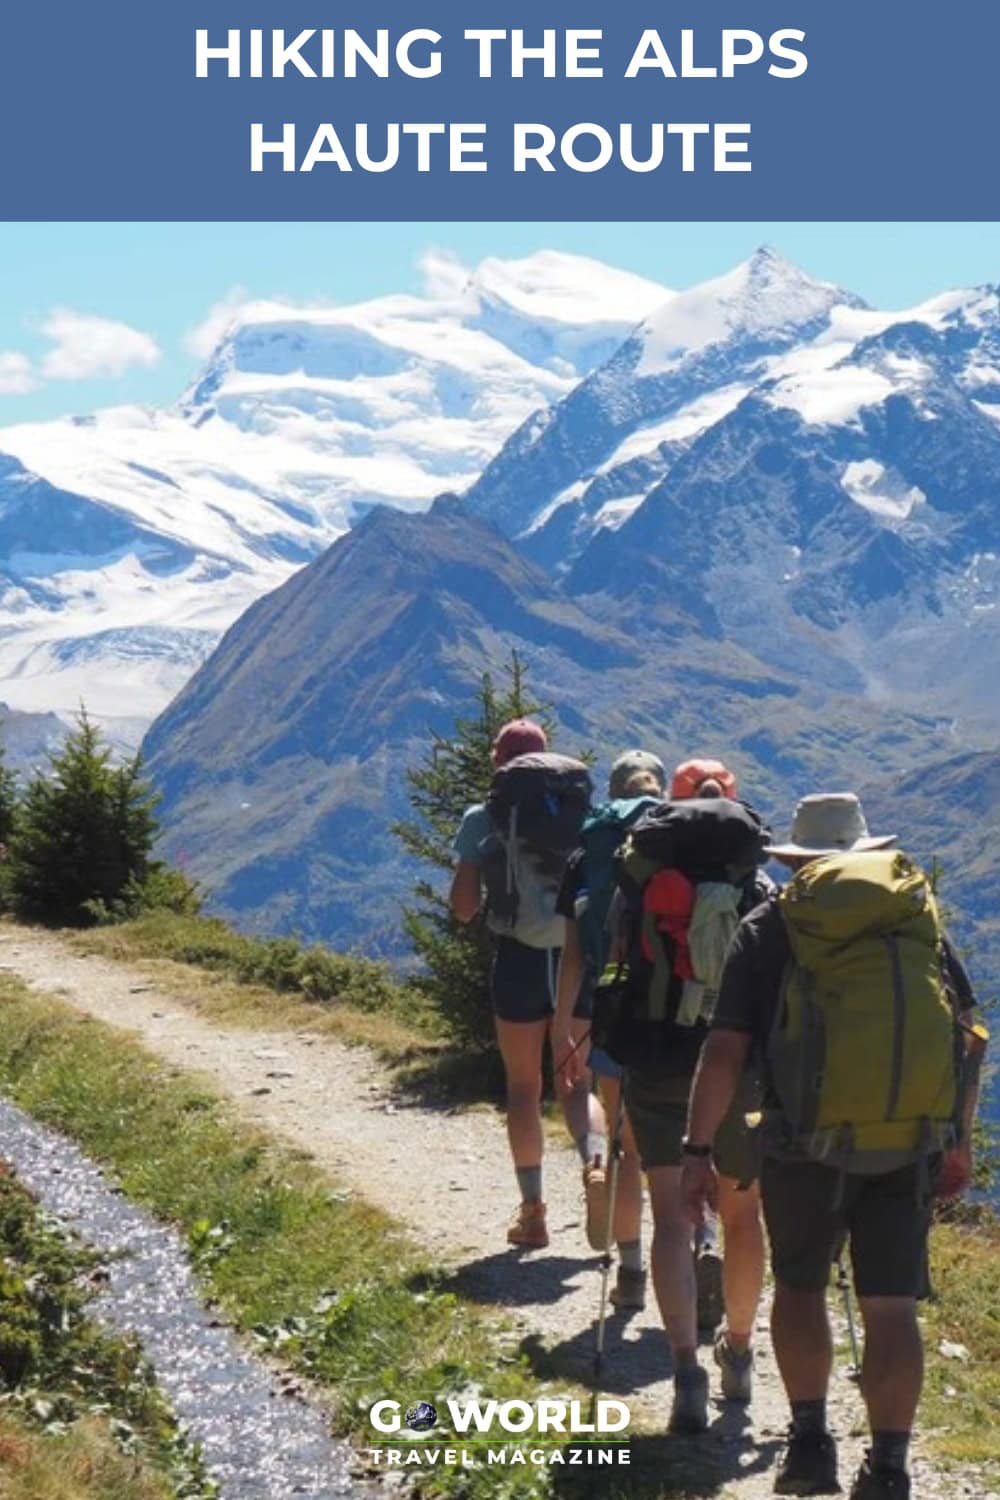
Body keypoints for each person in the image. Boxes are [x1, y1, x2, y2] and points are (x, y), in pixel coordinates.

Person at [682, 793, 985, 1500]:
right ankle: (890, 1466)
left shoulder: (772, 924)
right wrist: (957, 1140)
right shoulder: (912, 919)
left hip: (801, 1145)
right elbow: (966, 1031)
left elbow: (725, 1049)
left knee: (800, 1286)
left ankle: (811, 1444)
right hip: (907, 1144)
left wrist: (698, 1152)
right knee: (890, 1306)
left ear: (793, 861)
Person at [564, 756, 771, 1433]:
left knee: (670, 1217)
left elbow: (614, 968)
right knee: (742, 1218)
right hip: (737, 1071)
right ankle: (737, 1355)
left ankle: (684, 1370)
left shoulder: (642, 884)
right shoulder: (757, 887)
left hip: (656, 1064)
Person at [450, 718, 601, 1250]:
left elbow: (465, 908)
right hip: (575, 958)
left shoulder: (482, 816)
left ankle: (533, 1212)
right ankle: (595, 1165)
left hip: (517, 957)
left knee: (523, 1087)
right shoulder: (582, 816)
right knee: (577, 1080)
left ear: (499, 763)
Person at [551, 749, 668, 1310]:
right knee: (691, 1151)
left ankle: (630, 1274)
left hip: (613, 1007)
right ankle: (704, 1249)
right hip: (683, 1014)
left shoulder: (589, 853)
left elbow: (574, 953)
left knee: (628, 1149)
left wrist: (562, 1026)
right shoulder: (682, 846)